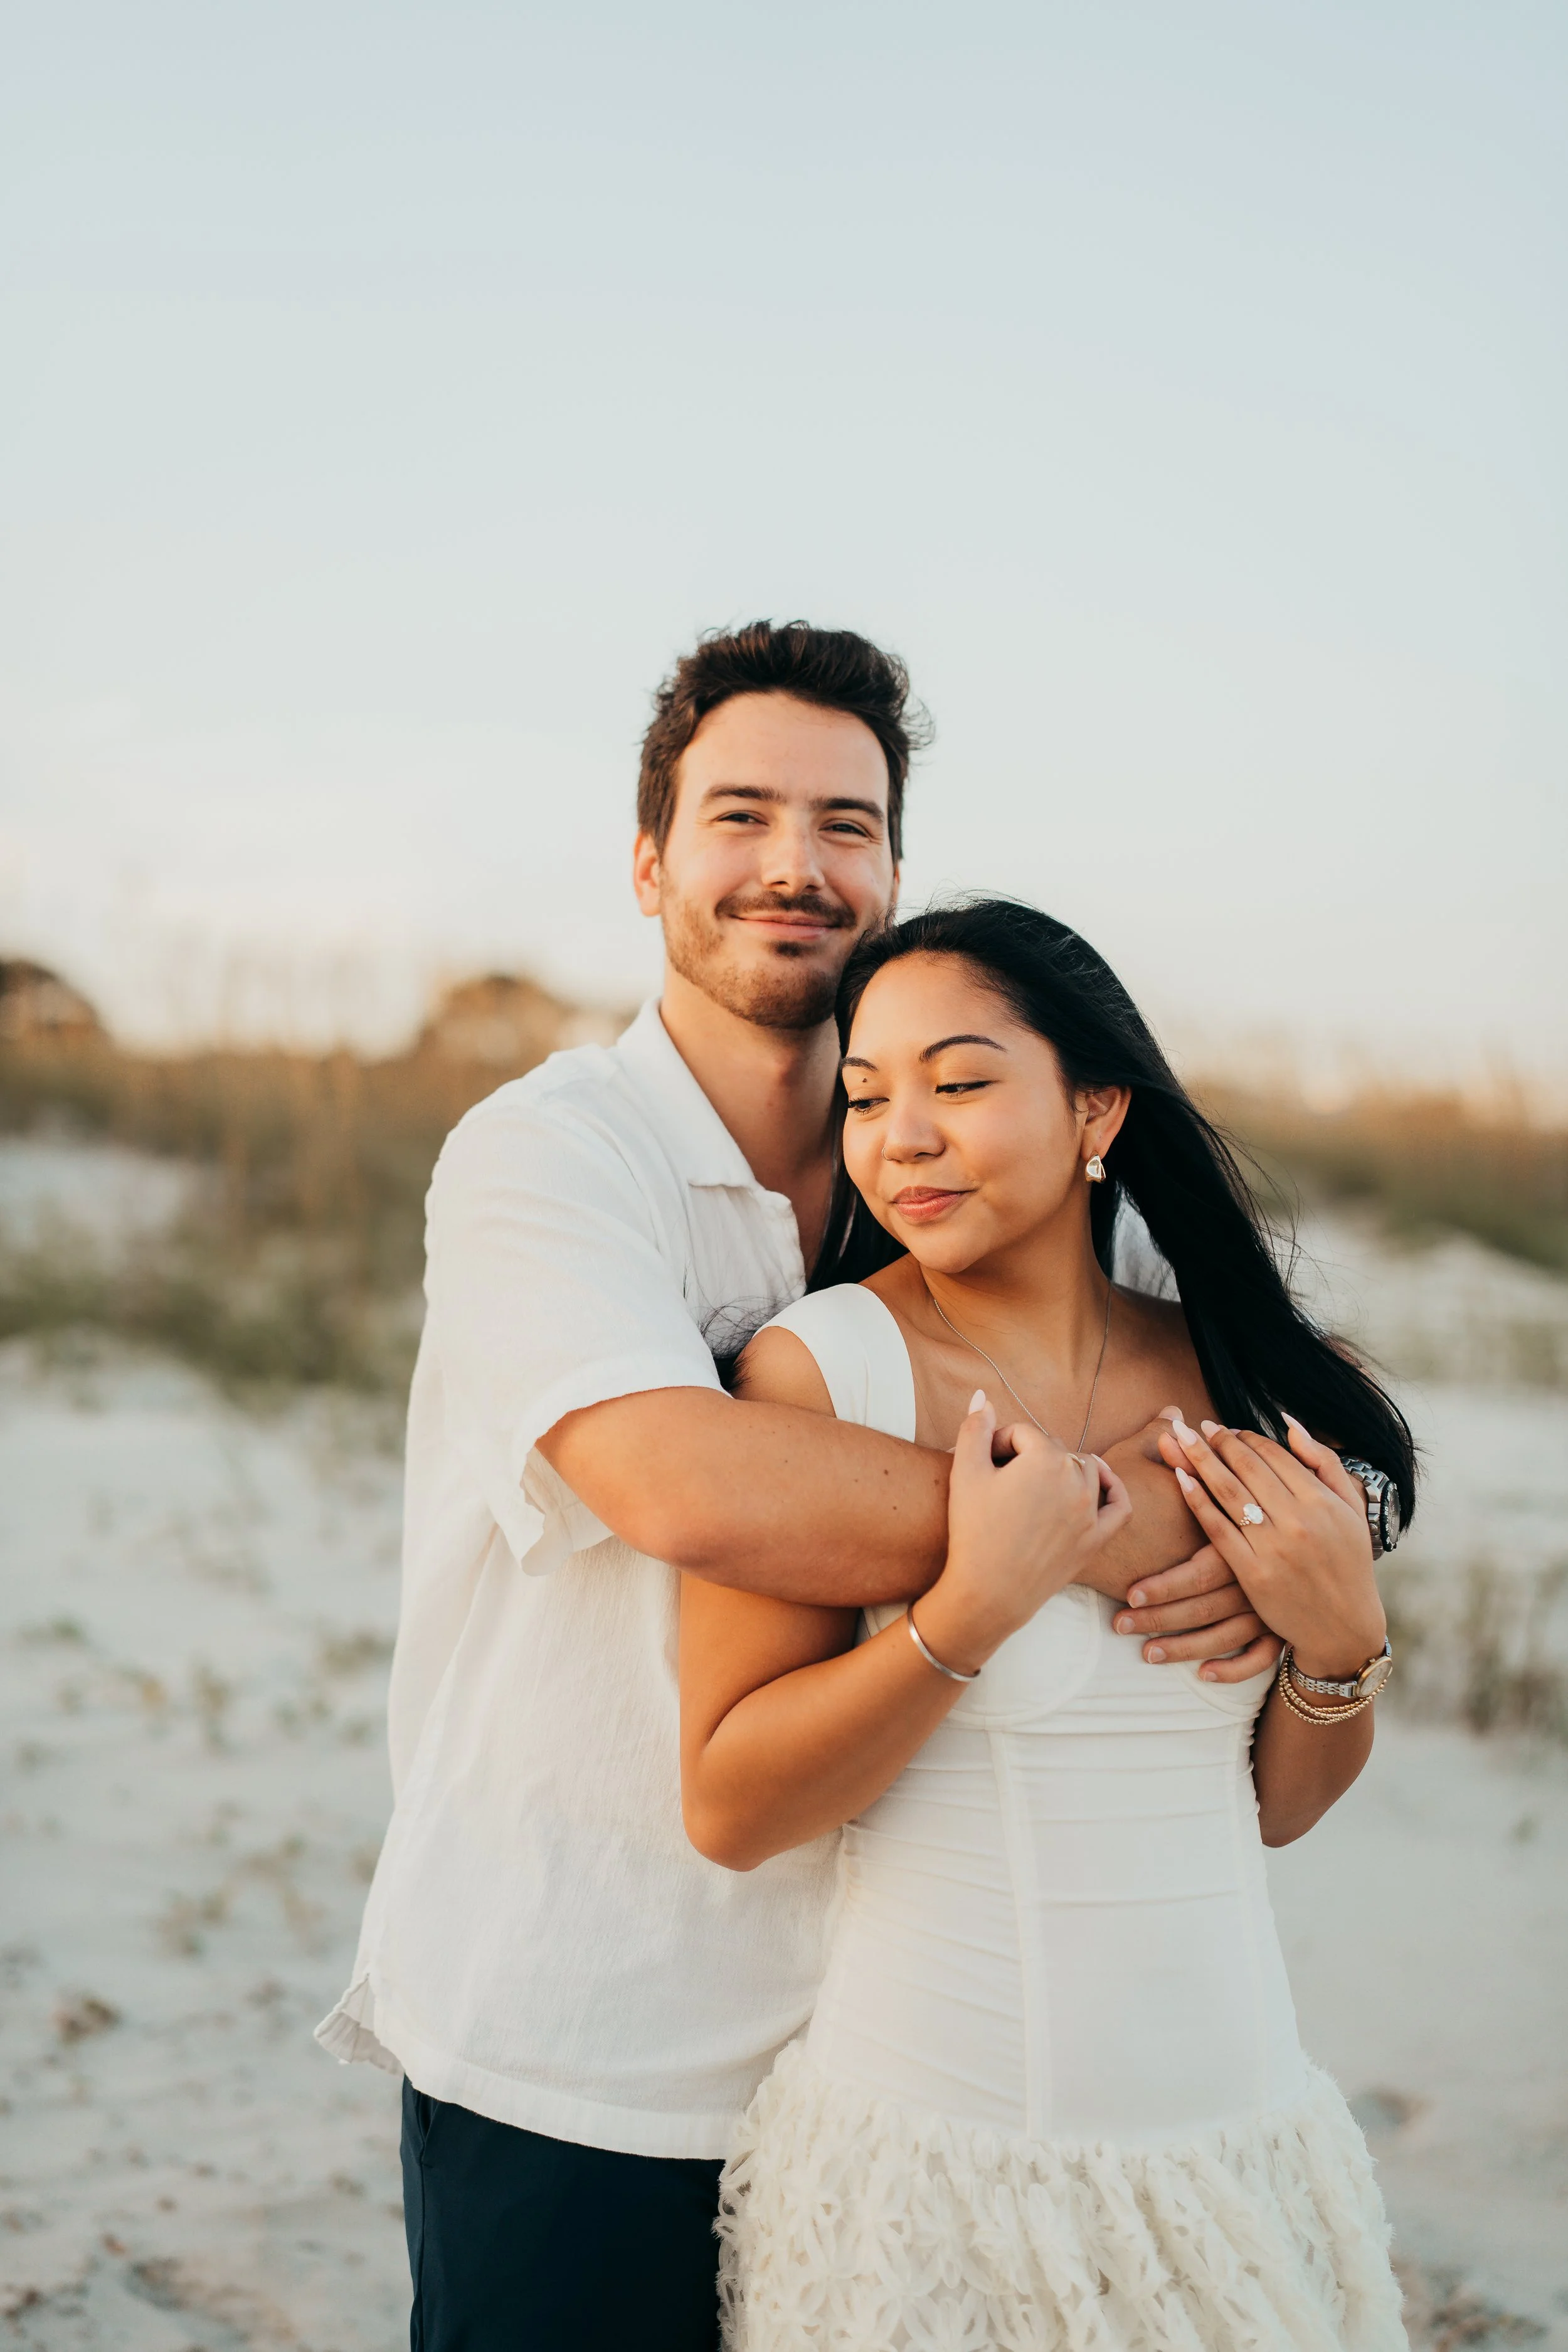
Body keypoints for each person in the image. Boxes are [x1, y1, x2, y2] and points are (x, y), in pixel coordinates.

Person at [318, 622, 1380, 2352]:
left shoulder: (942, 1188)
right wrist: (1166, 1513)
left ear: (892, 872)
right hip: (593, 2022)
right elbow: (676, 1476)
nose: (794, 865)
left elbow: (1285, 1437)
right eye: (739, 815)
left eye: (848, 823)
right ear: (650, 857)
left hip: (881, 2038)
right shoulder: (553, 1149)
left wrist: (1329, 1565)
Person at [680, 898, 1415, 2351]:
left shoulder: (1242, 1380)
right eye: (866, 1097)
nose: (901, 1137)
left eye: (958, 1082)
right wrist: (968, 1611)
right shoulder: (824, 1373)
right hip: (943, 2176)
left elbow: (1269, 1810)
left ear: (1095, 1107)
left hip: (1236, 2153)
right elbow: (733, 1801)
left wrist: (1340, 1647)